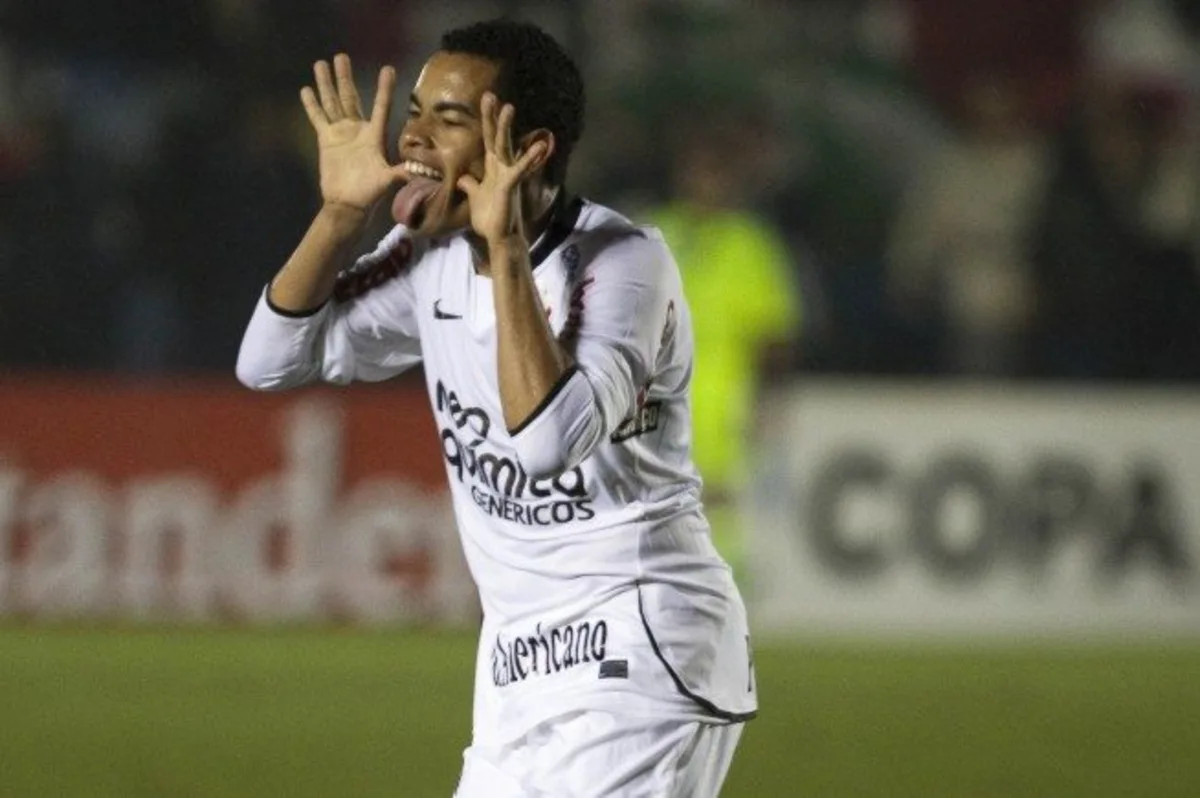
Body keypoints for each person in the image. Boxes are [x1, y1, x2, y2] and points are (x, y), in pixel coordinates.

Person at [235, 19, 756, 798]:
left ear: (529, 148)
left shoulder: (623, 265)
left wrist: (504, 247)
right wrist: (341, 216)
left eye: (446, 120)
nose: (410, 138)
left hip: (639, 647)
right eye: (415, 111)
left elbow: (548, 440)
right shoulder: (426, 258)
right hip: (517, 671)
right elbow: (268, 363)